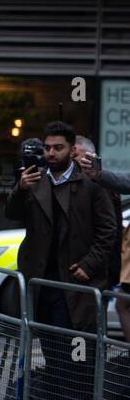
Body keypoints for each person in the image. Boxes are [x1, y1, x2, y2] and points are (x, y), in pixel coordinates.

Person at [5, 121, 119, 400]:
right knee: (52, 349)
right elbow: (12, 214)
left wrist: (89, 266)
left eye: (58, 148)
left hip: (76, 281)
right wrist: (19, 189)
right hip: (44, 280)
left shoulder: (91, 182)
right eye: (47, 148)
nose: (51, 153)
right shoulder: (35, 180)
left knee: (79, 351)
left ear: (72, 150)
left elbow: (108, 231)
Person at [75, 139, 130, 340]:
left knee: (121, 304)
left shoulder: (98, 186)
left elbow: (108, 230)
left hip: (99, 269)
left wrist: (98, 175)